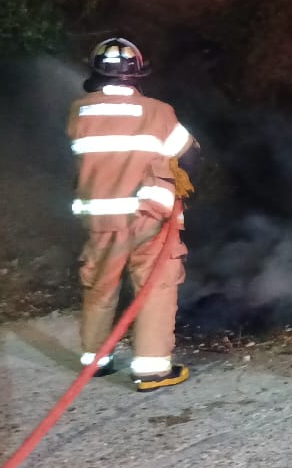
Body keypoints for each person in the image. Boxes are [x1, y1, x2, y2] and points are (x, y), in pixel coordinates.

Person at [66, 37, 199, 392]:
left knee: (100, 286)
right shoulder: (157, 111)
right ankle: (152, 370)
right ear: (137, 75)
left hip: (99, 220)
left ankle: (96, 361)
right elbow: (187, 153)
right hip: (148, 217)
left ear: (94, 73)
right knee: (156, 285)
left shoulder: (79, 112)